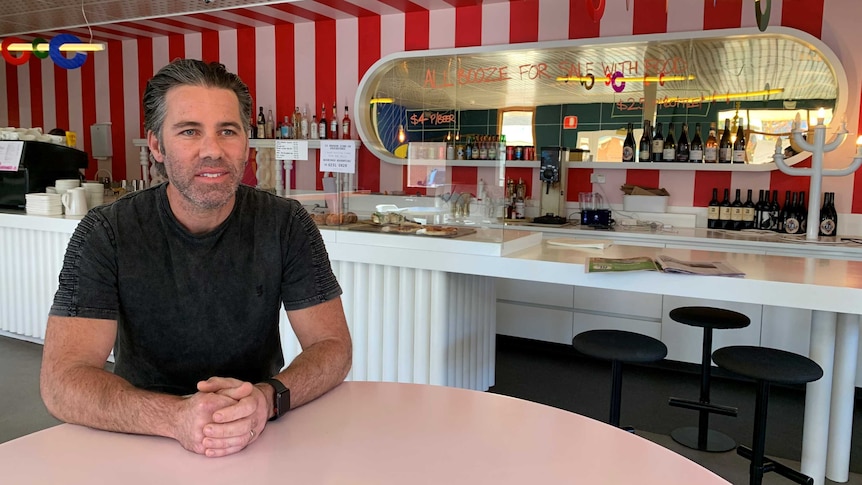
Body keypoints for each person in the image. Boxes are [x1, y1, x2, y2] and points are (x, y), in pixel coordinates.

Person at [40, 59, 352, 458]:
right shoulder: (107, 232)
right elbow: (62, 382)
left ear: (246, 141)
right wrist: (176, 417)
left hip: (259, 431)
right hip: (138, 432)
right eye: (189, 131)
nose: (213, 151)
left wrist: (267, 398)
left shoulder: (285, 223)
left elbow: (332, 346)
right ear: (156, 145)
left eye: (227, 131)